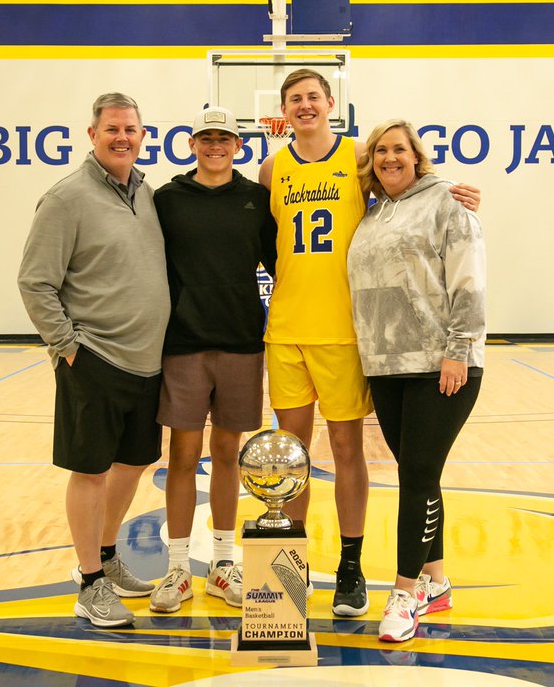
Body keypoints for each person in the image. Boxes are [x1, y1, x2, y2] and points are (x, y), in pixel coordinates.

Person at [256, 70, 480, 617]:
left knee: (348, 451)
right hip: (285, 329)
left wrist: (453, 191)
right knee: (291, 457)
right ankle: (290, 569)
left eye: (313, 97)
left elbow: (407, 184)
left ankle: (351, 568)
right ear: (281, 111)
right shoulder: (269, 169)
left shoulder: (358, 157)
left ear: (331, 103)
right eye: (294, 100)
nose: (305, 106)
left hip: (346, 333)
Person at [17, 92, 170, 628]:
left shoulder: (147, 192)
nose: (122, 137)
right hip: (95, 358)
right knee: (90, 471)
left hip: (148, 362)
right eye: (112, 129)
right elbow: (35, 281)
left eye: (131, 129)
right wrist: (66, 347)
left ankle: (107, 558)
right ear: (92, 134)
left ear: (143, 135)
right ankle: (88, 583)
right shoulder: (66, 199)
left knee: (132, 464)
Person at [346, 119, 486, 643]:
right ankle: (438, 581)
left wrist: (458, 350)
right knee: (418, 471)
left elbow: (469, 279)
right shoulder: (373, 211)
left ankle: (404, 594)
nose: (389, 158)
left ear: (417, 156)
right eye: (380, 151)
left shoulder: (449, 202)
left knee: (418, 475)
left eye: (399, 149)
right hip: (386, 364)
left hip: (441, 363)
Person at [147, 106, 278, 613]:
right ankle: (178, 569)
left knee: (228, 455)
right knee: (182, 457)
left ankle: (224, 565)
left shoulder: (255, 199)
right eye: (206, 138)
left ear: (238, 146)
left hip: (243, 344)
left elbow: (282, 263)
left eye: (224, 138)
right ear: (191, 144)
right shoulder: (167, 200)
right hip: (183, 345)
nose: (215, 145)